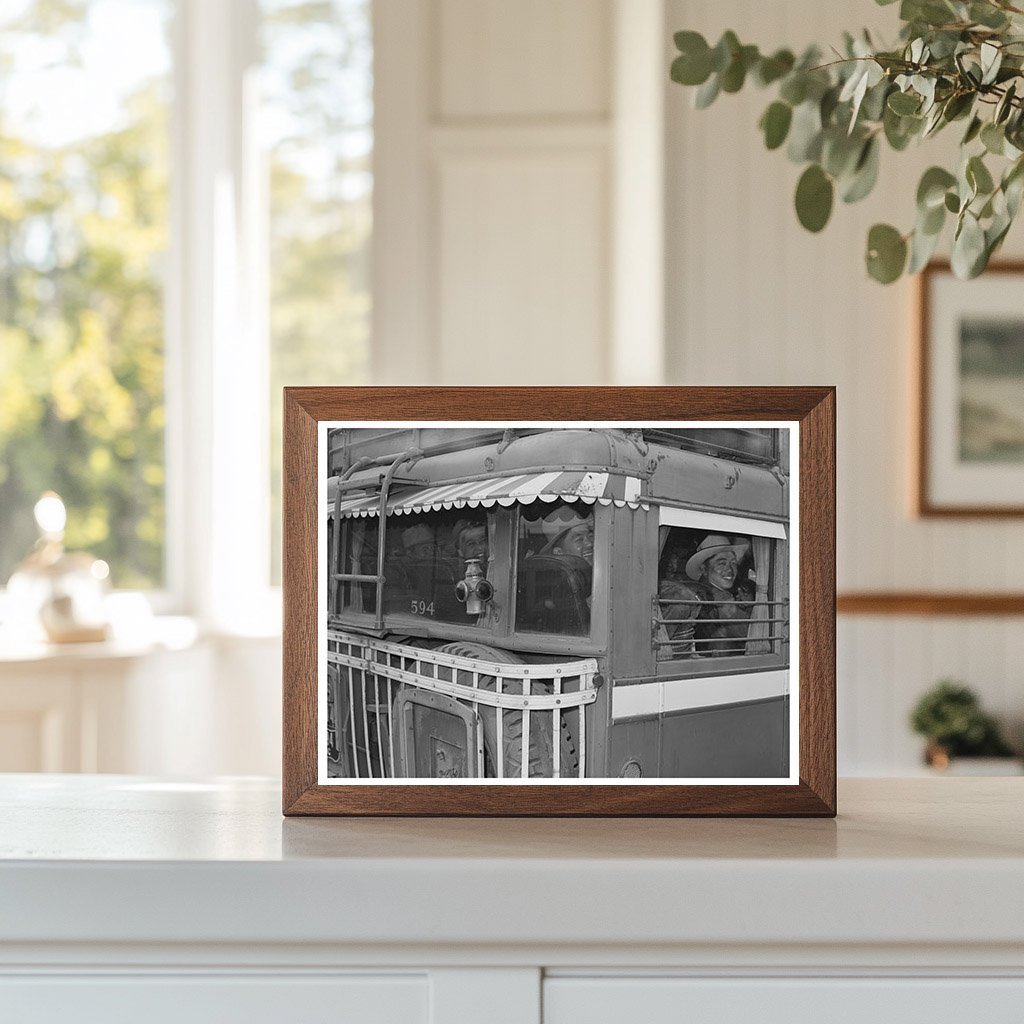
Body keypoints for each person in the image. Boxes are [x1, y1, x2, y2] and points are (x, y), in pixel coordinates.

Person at [684, 534, 752, 656]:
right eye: (721, 563)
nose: (730, 570)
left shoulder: (713, 593)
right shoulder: (714, 598)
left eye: (733, 563)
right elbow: (749, 633)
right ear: (704, 569)